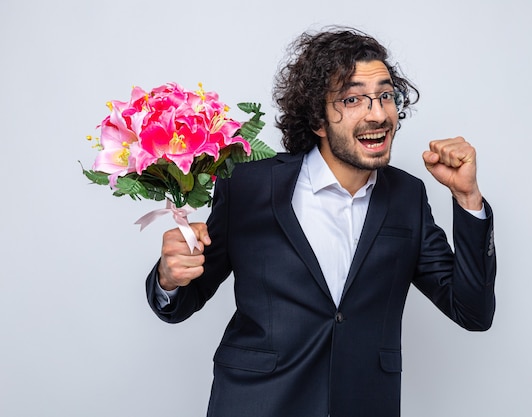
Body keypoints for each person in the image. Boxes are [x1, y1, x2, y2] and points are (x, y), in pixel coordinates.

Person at [146, 26, 496, 417]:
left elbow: (473, 311)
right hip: (256, 403)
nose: (378, 114)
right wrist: (169, 279)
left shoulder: (407, 197)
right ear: (317, 118)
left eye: (385, 95)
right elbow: (180, 302)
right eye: (353, 99)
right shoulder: (248, 187)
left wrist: (467, 199)